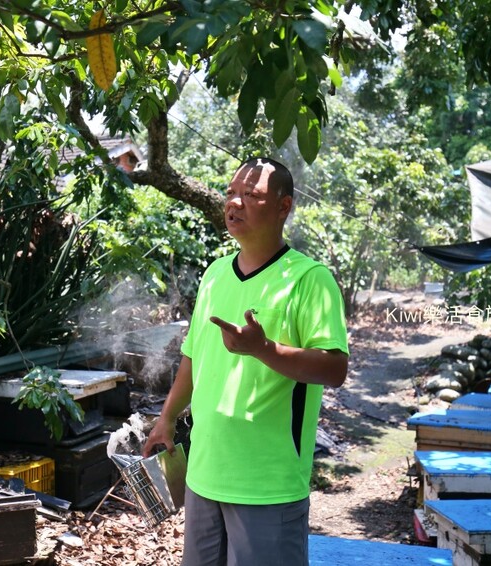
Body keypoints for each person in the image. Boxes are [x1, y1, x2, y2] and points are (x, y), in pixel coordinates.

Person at [142, 157, 349, 566]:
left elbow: (334, 368)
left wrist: (263, 348)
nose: (234, 203)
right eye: (230, 193)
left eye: (251, 195)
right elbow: (193, 356)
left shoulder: (309, 279)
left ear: (283, 206)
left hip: (266, 484)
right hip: (204, 472)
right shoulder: (215, 274)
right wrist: (167, 418)